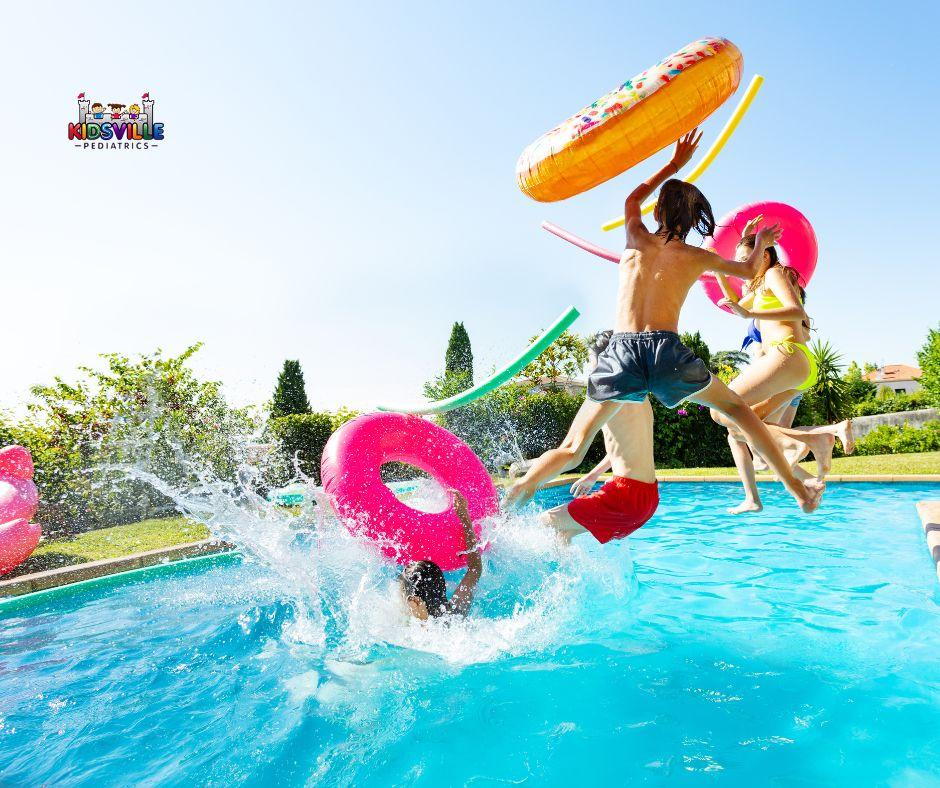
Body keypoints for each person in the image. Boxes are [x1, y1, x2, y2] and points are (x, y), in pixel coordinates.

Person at [506, 129, 823, 514]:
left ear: (657, 212)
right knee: (738, 411)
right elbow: (748, 268)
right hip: (666, 351)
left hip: (620, 352)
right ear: (694, 222)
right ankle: (797, 489)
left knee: (573, 449)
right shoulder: (695, 256)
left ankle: (517, 492)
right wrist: (758, 241)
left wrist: (674, 164)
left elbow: (631, 197)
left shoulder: (636, 235)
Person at [712, 224, 853, 512]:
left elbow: (796, 310)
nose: (741, 266)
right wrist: (717, 270)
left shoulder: (775, 274)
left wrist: (749, 313)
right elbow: (736, 304)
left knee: (720, 409)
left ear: (764, 256)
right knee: (741, 429)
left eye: (744, 259)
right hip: (796, 366)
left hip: (785, 356)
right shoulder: (760, 284)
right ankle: (756, 497)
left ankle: (812, 439)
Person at [535, 331, 658, 544]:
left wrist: (529, 482)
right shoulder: (640, 396)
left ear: (607, 361)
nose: (589, 370)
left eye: (592, 363)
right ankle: (564, 577)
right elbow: (623, 448)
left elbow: (573, 450)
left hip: (625, 496)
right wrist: (593, 475)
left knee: (542, 523)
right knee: (563, 533)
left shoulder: (611, 394)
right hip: (648, 497)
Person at [399, 490, 482, 619]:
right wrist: (465, 518)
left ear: (414, 601)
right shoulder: (455, 613)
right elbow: (475, 568)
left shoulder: (414, 631)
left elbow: (475, 569)